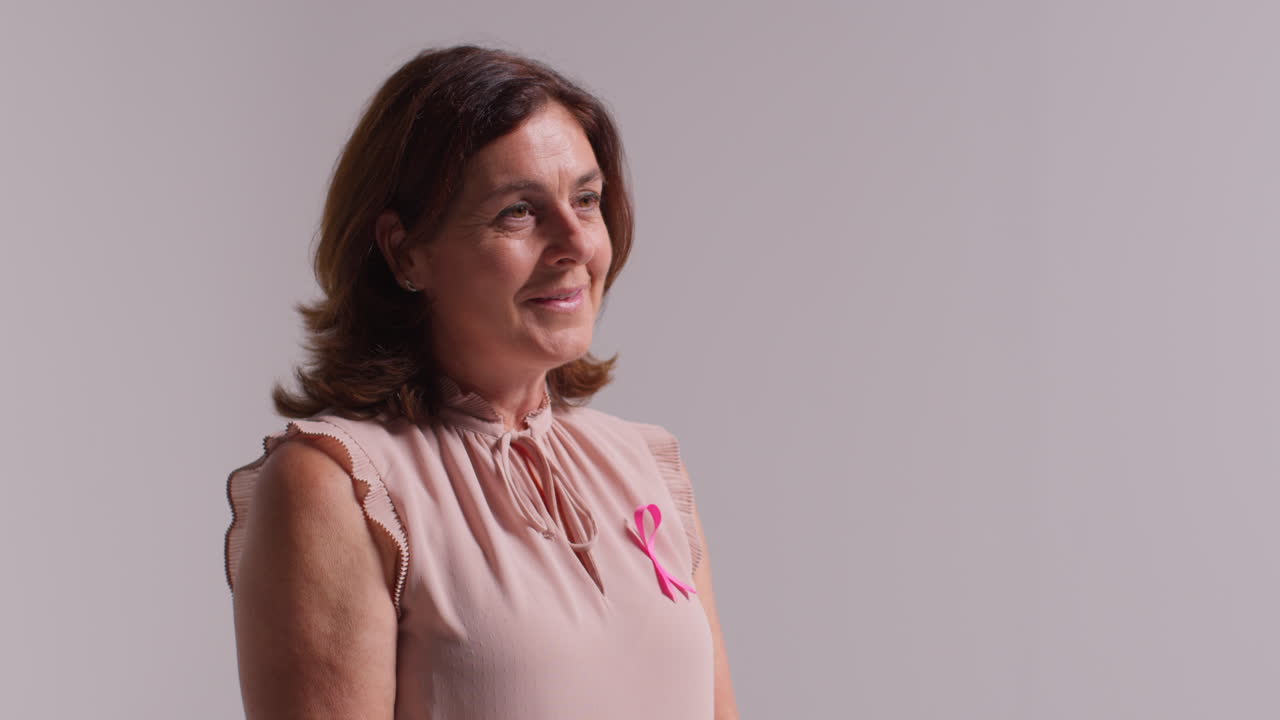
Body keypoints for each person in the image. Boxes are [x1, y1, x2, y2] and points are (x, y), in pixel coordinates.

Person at [222, 45, 739, 719]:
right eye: (518, 212)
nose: (576, 243)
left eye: (586, 199)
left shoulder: (648, 466)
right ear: (406, 250)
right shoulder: (336, 487)